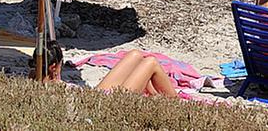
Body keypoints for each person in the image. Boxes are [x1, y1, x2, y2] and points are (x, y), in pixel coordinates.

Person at [36, 42, 177, 97]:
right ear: (53, 66)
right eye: (61, 64)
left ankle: (155, 96)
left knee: (136, 55)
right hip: (109, 102)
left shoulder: (36, 77)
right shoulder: (54, 86)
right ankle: (175, 103)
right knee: (151, 62)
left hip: (97, 94)